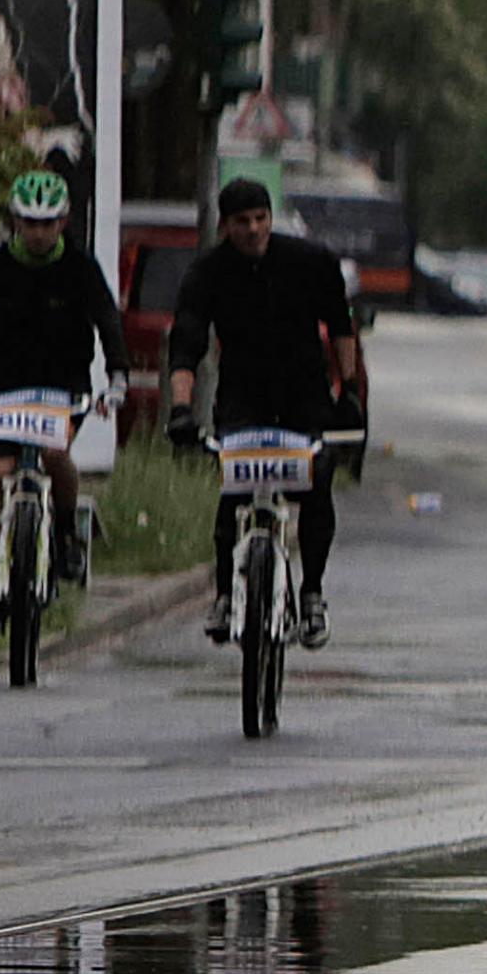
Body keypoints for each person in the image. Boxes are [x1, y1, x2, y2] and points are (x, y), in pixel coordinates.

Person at [164, 177, 362, 648]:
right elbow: (186, 344)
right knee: (233, 490)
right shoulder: (207, 273)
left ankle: (311, 594)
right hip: (243, 397)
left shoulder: (310, 262)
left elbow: (341, 326)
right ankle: (225, 595)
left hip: (304, 394)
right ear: (225, 225)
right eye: (242, 222)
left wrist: (350, 391)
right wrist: (181, 408)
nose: (253, 229)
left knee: (316, 484)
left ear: (271, 219)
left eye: (260, 219)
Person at [0, 169, 129, 630]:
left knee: (55, 454)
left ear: (62, 222)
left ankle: (65, 534)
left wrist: (117, 378)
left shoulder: (81, 268)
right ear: (15, 222)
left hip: (63, 389)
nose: (38, 233)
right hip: (8, 389)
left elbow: (107, 318)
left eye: (47, 224)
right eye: (29, 223)